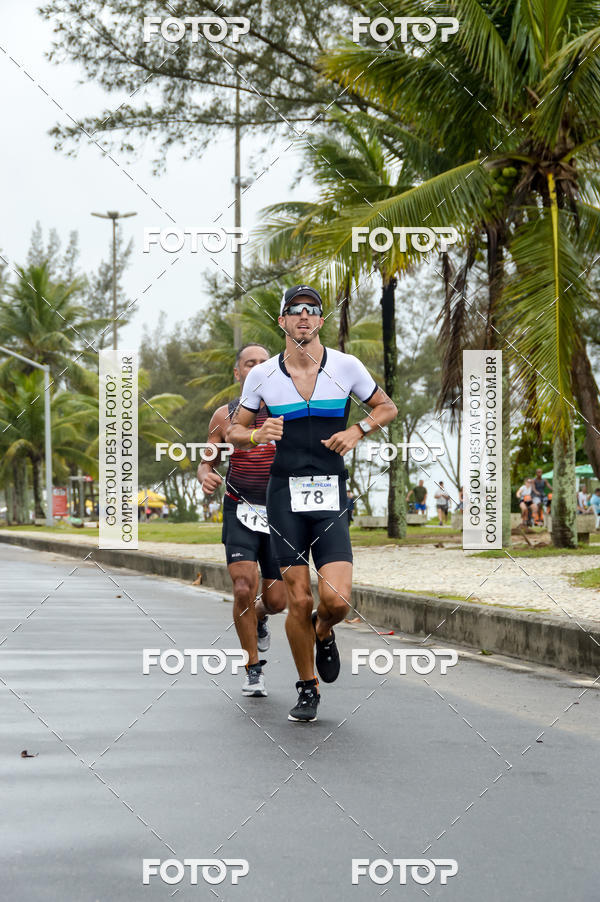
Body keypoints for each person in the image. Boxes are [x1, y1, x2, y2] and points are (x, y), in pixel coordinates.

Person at [227, 285, 397, 722]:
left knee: (337, 601)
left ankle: (324, 630)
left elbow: (386, 407)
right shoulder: (262, 375)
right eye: (294, 311)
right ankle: (308, 687)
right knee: (297, 600)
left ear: (320, 321)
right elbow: (232, 432)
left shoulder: (346, 366)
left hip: (330, 492)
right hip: (283, 495)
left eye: (312, 311)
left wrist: (357, 430)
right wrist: (255, 435)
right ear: (282, 321)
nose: (303, 317)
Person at [197, 343, 287, 698]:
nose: (258, 368)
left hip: (280, 513)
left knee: (278, 601)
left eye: (265, 363)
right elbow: (208, 460)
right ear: (238, 373)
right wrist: (205, 474)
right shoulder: (225, 415)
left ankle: (260, 616)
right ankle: (252, 667)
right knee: (241, 588)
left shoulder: (289, 411)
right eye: (250, 363)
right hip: (240, 508)